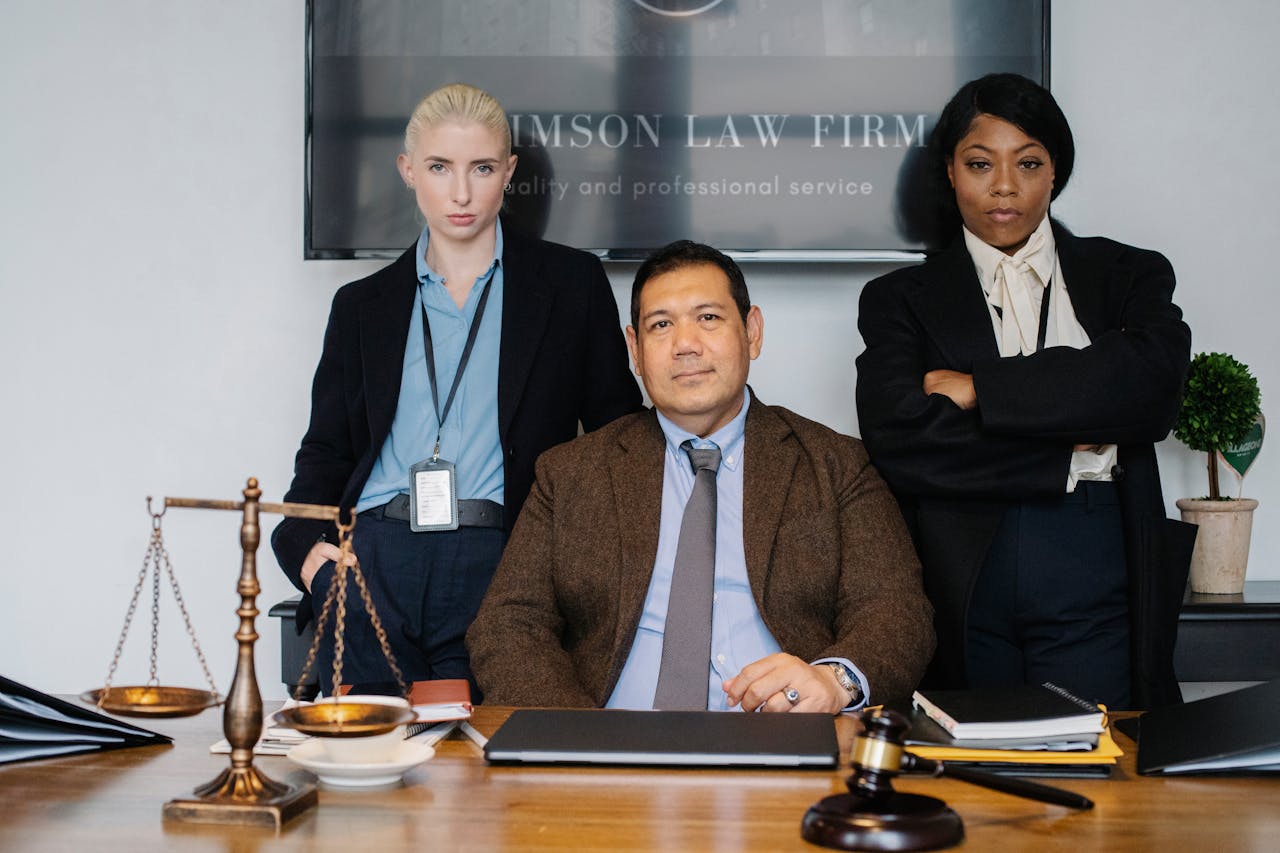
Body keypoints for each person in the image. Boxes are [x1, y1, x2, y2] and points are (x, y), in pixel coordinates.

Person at [272, 83, 642, 695]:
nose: (462, 192)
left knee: (491, 770)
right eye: (441, 168)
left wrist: (571, 568)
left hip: (506, 561)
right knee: (375, 769)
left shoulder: (571, 285)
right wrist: (305, 553)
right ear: (408, 170)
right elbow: (326, 453)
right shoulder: (362, 307)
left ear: (509, 172)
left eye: (483, 168)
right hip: (372, 562)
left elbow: (616, 440)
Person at [466, 240, 934, 713]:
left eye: (708, 318)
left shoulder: (834, 465)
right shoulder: (569, 474)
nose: (685, 345)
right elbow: (509, 624)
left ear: (752, 332)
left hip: (782, 742)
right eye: (661, 325)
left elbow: (897, 612)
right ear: (635, 348)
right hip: (613, 751)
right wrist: (583, 739)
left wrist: (833, 681)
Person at [856, 73, 1195, 710]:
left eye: (1029, 162)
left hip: (1095, 556)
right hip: (957, 569)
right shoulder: (897, 299)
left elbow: (1150, 389)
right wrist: (1076, 440)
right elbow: (901, 438)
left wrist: (980, 388)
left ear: (1055, 171)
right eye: (980, 163)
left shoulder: (1127, 274)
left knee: (1099, 764)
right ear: (951, 173)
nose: (1004, 186)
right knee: (966, 774)